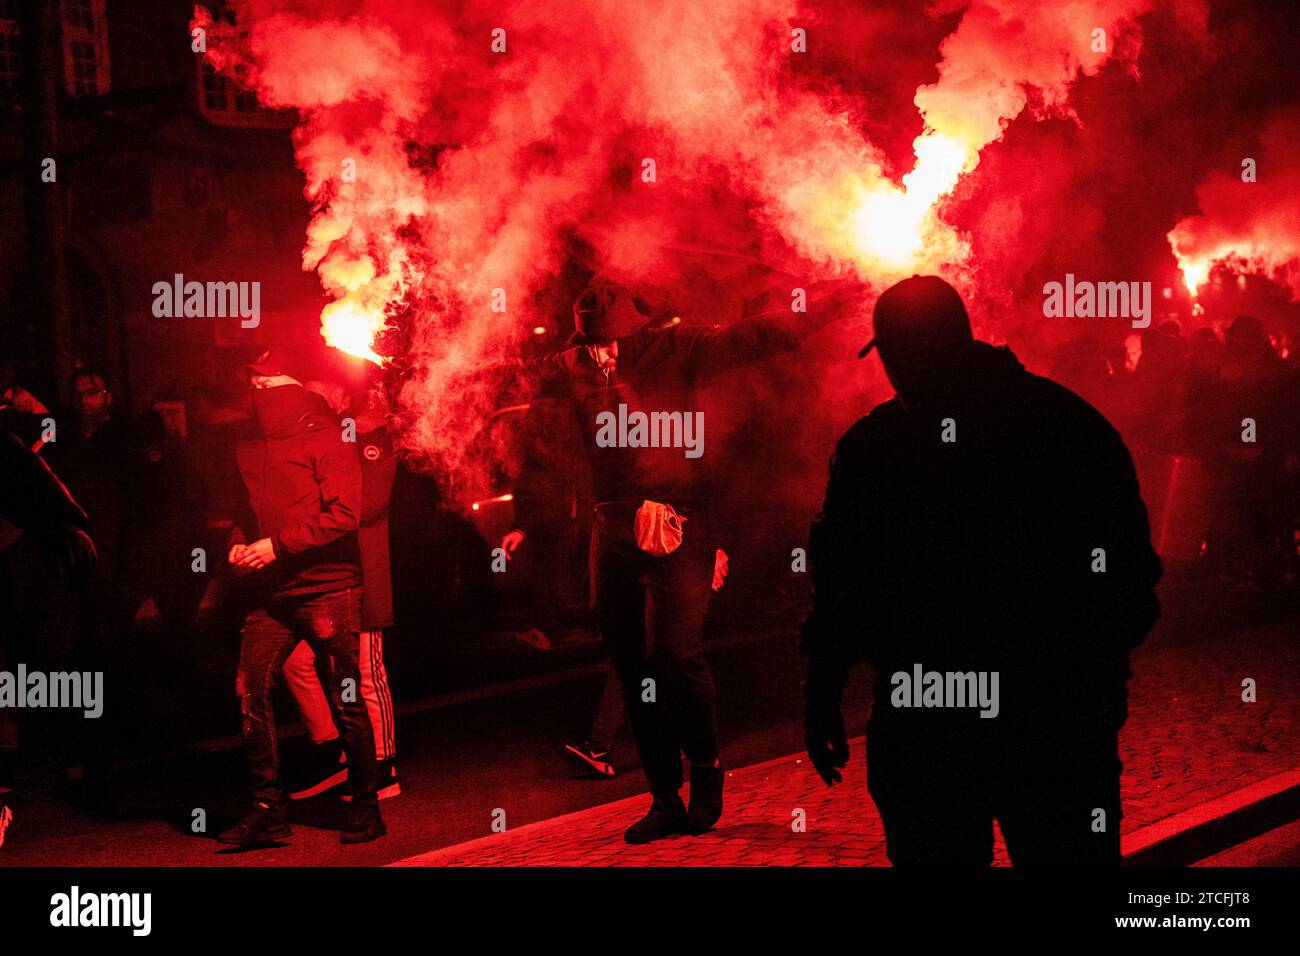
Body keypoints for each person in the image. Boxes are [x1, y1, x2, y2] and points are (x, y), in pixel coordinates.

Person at [802, 275, 1162, 866]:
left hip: (953, 722)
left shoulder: (874, 448)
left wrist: (822, 693)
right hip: (1038, 719)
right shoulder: (1064, 422)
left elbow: (842, 589)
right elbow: (1129, 574)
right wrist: (1095, 682)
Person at [514, 279, 856, 843]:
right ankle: (664, 797)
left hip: (679, 520)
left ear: (632, 330)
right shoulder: (573, 361)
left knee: (676, 653)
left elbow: (760, 335)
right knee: (630, 664)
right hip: (612, 525)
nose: (600, 354)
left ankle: (706, 768)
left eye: (608, 342)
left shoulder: (680, 349)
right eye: (590, 344)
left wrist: (834, 300)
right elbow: (505, 375)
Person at [218, 350, 385, 847]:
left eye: (264, 385)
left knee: (346, 698)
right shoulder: (247, 447)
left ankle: (367, 805)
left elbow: (344, 514)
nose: (256, 394)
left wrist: (278, 546)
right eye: (253, 386)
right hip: (269, 593)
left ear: (287, 388)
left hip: (327, 588)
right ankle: (268, 810)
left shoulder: (328, 438)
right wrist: (236, 544)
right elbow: (244, 512)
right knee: (250, 691)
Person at [282, 383, 400, 801]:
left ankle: (384, 764)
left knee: (368, 672)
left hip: (365, 573)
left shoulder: (375, 444)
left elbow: (365, 506)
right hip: (327, 578)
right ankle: (335, 752)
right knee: (296, 662)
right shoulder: (336, 438)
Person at [0, 424, 97, 848]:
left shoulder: (7, 447)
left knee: (39, 665)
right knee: (29, 666)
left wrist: (66, 526)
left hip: (26, 560)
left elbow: (39, 481)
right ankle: (43, 759)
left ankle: (54, 761)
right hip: (21, 558)